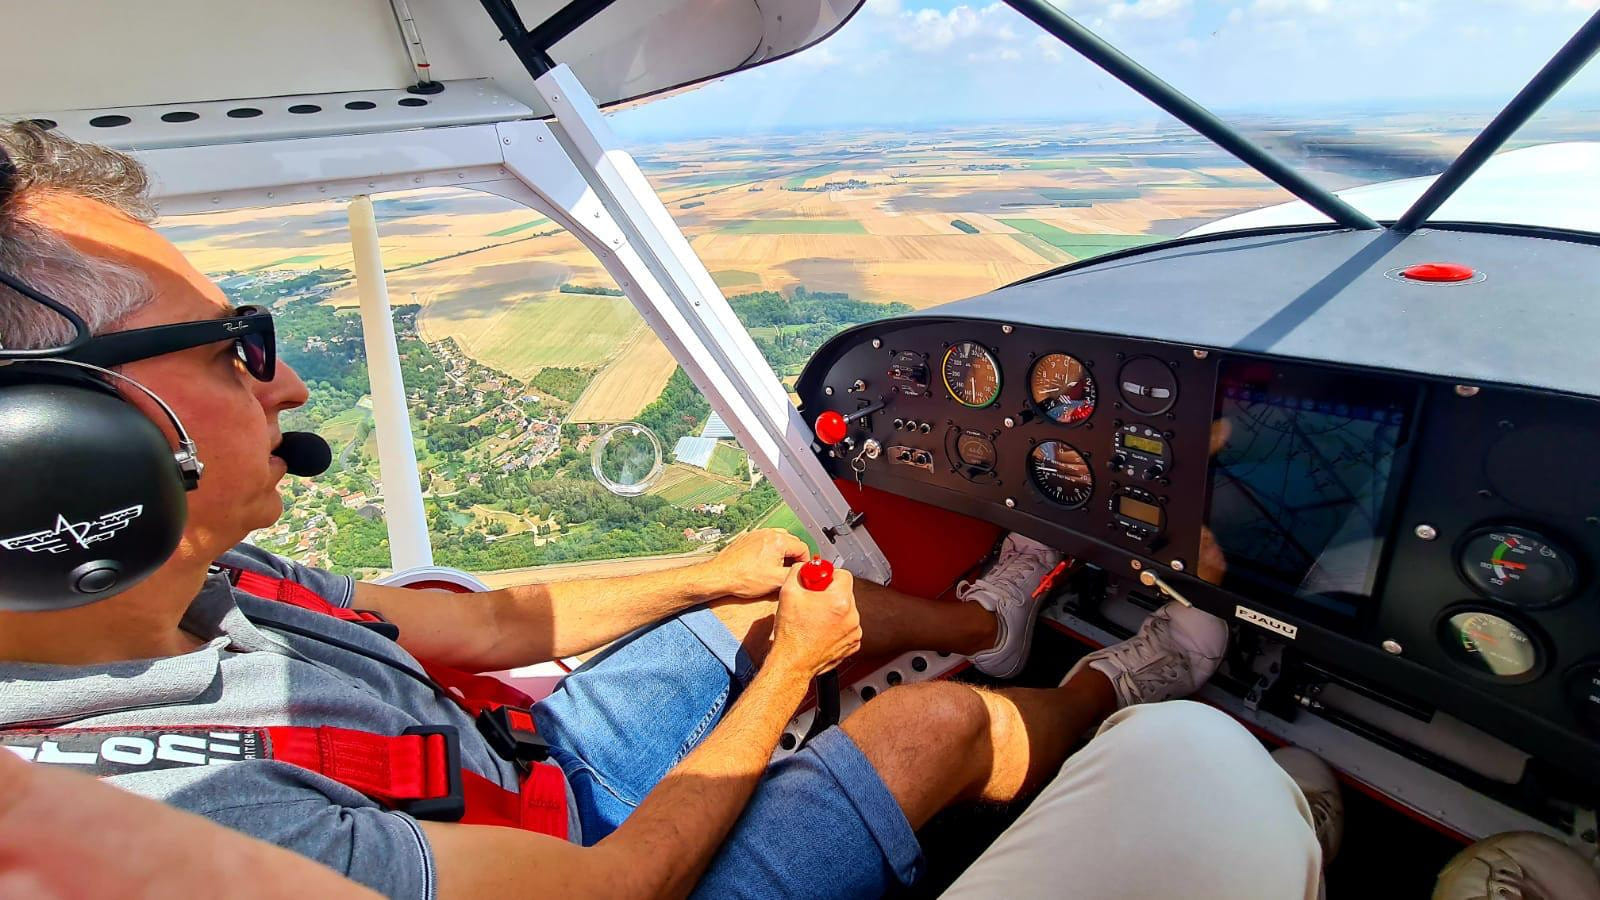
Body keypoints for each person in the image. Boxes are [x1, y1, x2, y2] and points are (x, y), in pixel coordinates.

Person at [0, 121, 1267, 899]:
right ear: (61, 448)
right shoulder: (173, 828)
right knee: (929, 726)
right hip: (598, 865)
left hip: (520, 773)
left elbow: (490, 628)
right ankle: (1121, 685)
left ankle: (982, 624)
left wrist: (712, 572)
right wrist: (788, 687)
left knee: (775, 594)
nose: (284, 378)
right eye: (234, 348)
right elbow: (612, 887)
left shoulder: (192, 583)